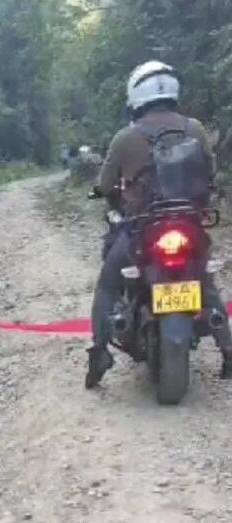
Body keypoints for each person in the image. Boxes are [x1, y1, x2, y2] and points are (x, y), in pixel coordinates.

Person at [86, 60, 232, 388]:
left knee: (108, 284)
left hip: (142, 229)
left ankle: (99, 352)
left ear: (136, 95)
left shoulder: (126, 137)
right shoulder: (195, 129)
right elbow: (210, 173)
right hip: (190, 225)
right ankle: (227, 348)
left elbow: (105, 185)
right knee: (205, 278)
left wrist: (104, 192)